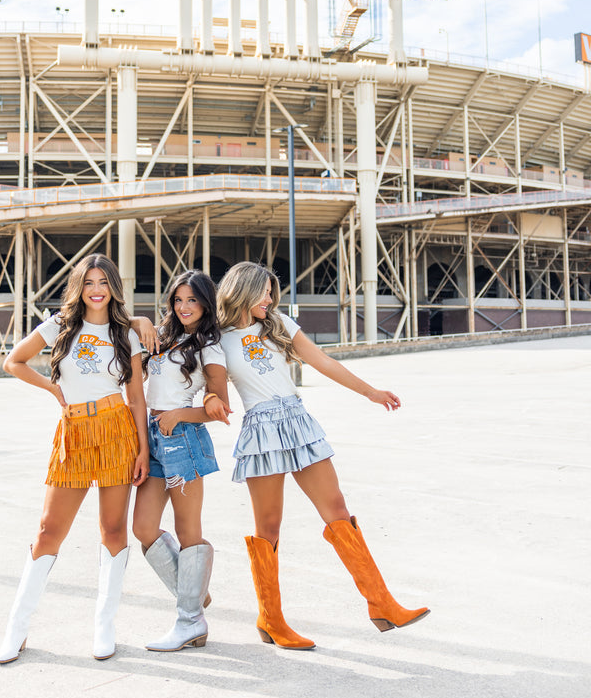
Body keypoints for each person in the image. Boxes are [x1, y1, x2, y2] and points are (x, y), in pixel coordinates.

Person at [216, 261, 429, 650]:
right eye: (263, 291)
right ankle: (271, 620)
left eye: (270, 292)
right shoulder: (217, 339)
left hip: (297, 420)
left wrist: (371, 391)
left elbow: (323, 362)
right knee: (269, 527)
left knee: (336, 507)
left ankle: (381, 603)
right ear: (242, 290)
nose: (269, 298)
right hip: (261, 430)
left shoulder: (278, 325)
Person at [0, 253, 149, 664]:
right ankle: (17, 628)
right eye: (88, 282)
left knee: (113, 529)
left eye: (103, 282)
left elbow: (136, 397)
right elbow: (14, 361)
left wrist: (143, 450)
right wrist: (51, 388)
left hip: (118, 431)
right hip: (74, 433)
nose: (96, 290)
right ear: (79, 287)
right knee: (48, 530)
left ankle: (104, 625)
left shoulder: (126, 334)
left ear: (113, 287)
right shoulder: (60, 326)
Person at [132, 270, 231, 652]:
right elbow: (124, 326)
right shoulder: (162, 336)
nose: (184, 307)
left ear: (206, 302)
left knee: (188, 529)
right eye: (178, 299)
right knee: (143, 528)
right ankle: (193, 592)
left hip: (182, 437)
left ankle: (190, 620)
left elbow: (220, 407)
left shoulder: (210, 346)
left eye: (192, 300)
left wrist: (177, 415)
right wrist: (141, 320)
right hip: (153, 438)